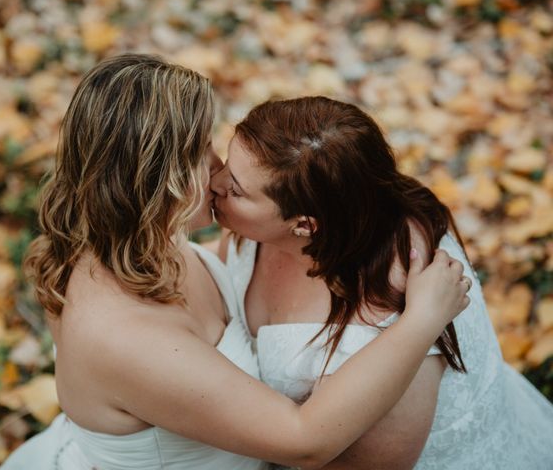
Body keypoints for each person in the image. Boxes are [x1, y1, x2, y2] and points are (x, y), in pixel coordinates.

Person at [1, 55, 470, 470]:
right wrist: (420, 322)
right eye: (199, 154)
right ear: (159, 182)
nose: (217, 166)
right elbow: (304, 442)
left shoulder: (129, 239)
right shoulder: (124, 335)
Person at [211, 96, 553, 470]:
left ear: (305, 225)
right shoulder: (321, 211)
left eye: (237, 190)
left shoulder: (395, 314)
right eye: (228, 163)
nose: (215, 182)